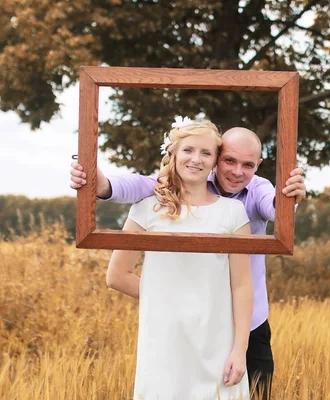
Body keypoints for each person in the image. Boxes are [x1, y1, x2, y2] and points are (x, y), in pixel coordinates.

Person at [70, 120, 306, 400]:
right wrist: (98, 183)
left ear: (257, 165)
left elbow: (275, 208)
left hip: (244, 327)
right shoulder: (159, 199)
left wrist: (289, 198)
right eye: (229, 160)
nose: (237, 171)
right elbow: (135, 186)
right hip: (172, 332)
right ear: (218, 160)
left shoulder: (247, 199)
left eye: (248, 165)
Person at [106, 119, 252, 399]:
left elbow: (242, 286)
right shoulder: (147, 209)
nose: (196, 159)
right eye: (188, 150)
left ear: (215, 162)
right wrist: (171, 296)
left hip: (218, 342)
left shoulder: (233, 213)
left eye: (206, 153)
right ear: (173, 154)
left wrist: (239, 349)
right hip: (164, 340)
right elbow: (117, 276)